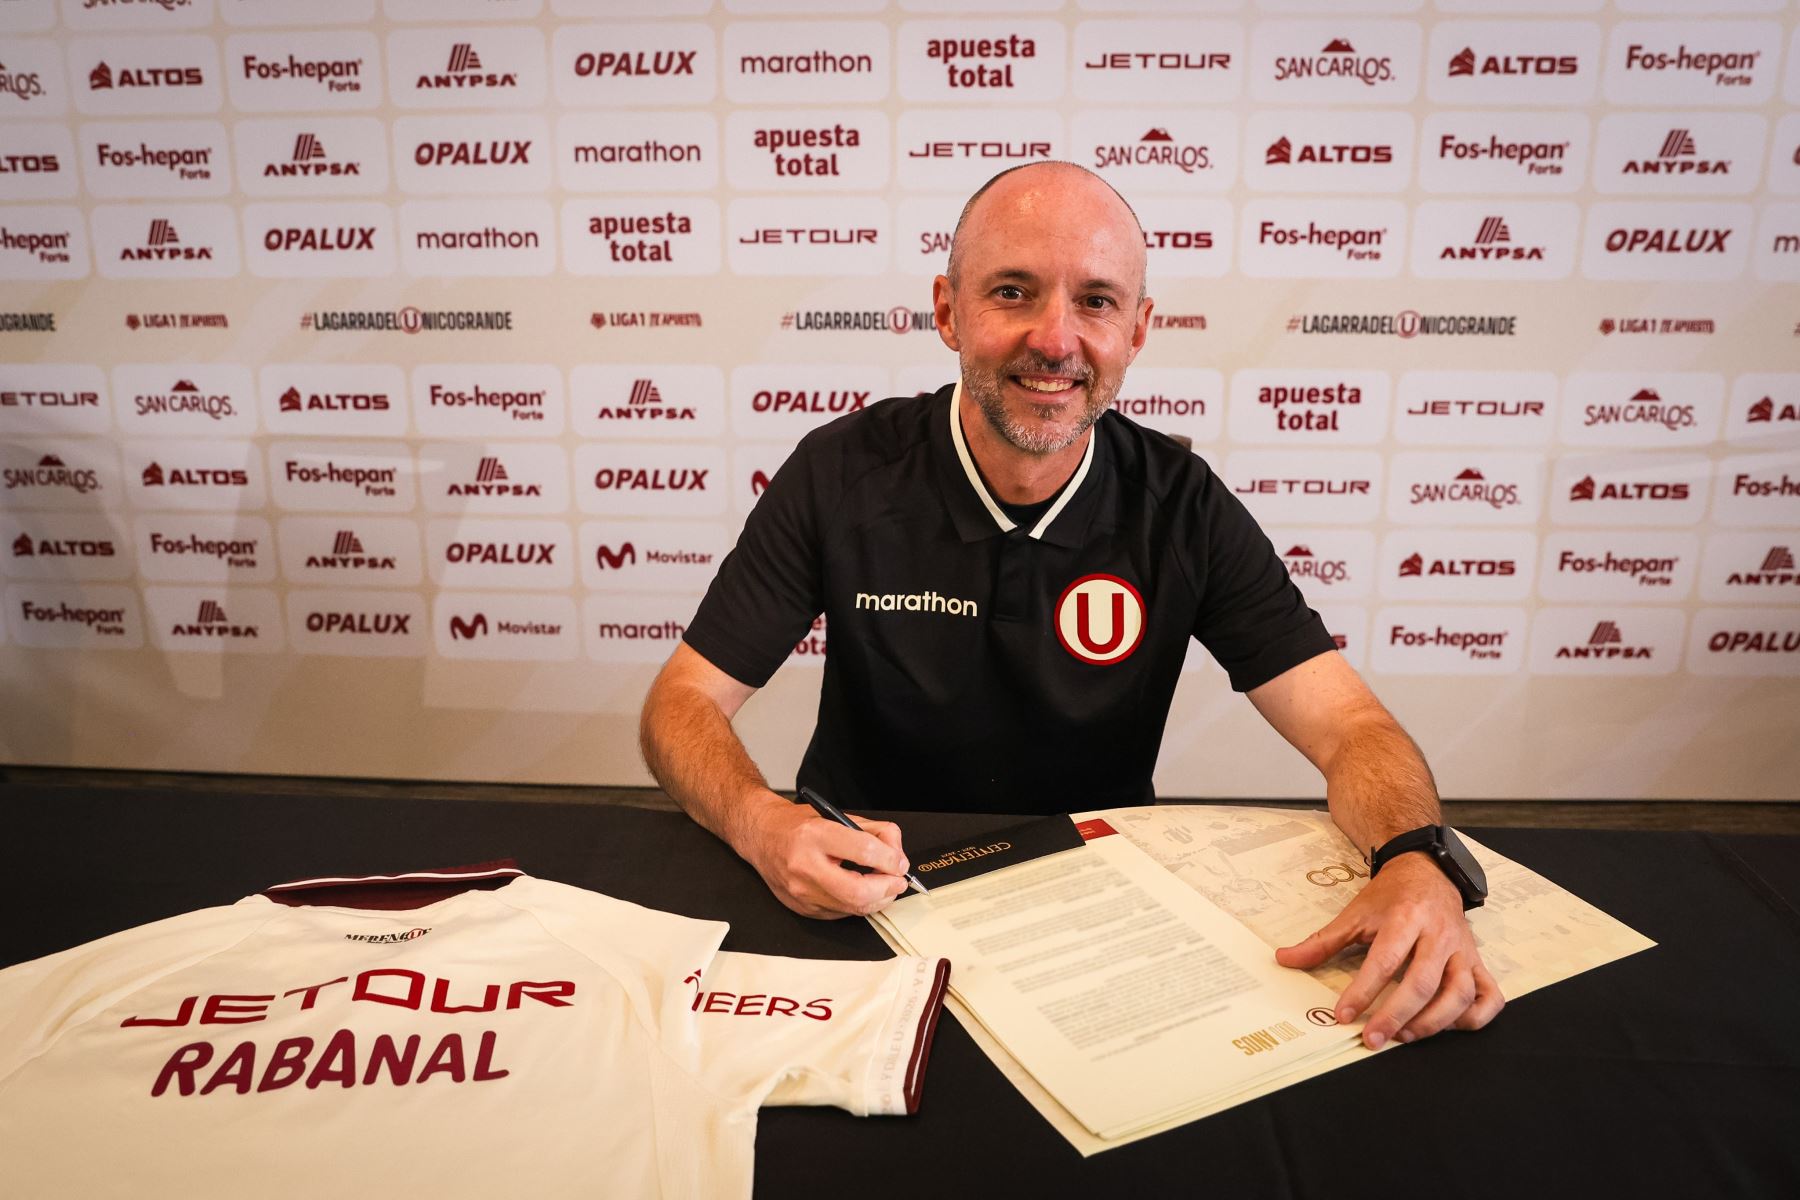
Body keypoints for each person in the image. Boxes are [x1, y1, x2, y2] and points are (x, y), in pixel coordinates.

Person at [641, 161, 1503, 1049]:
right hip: (858, 892)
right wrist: (763, 823)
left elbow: (1351, 728)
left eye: (1095, 302)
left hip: (1096, 910)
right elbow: (682, 702)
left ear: (1137, 330)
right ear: (948, 311)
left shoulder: (1182, 506)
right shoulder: (840, 472)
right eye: (1012, 292)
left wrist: (1416, 857)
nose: (1055, 341)